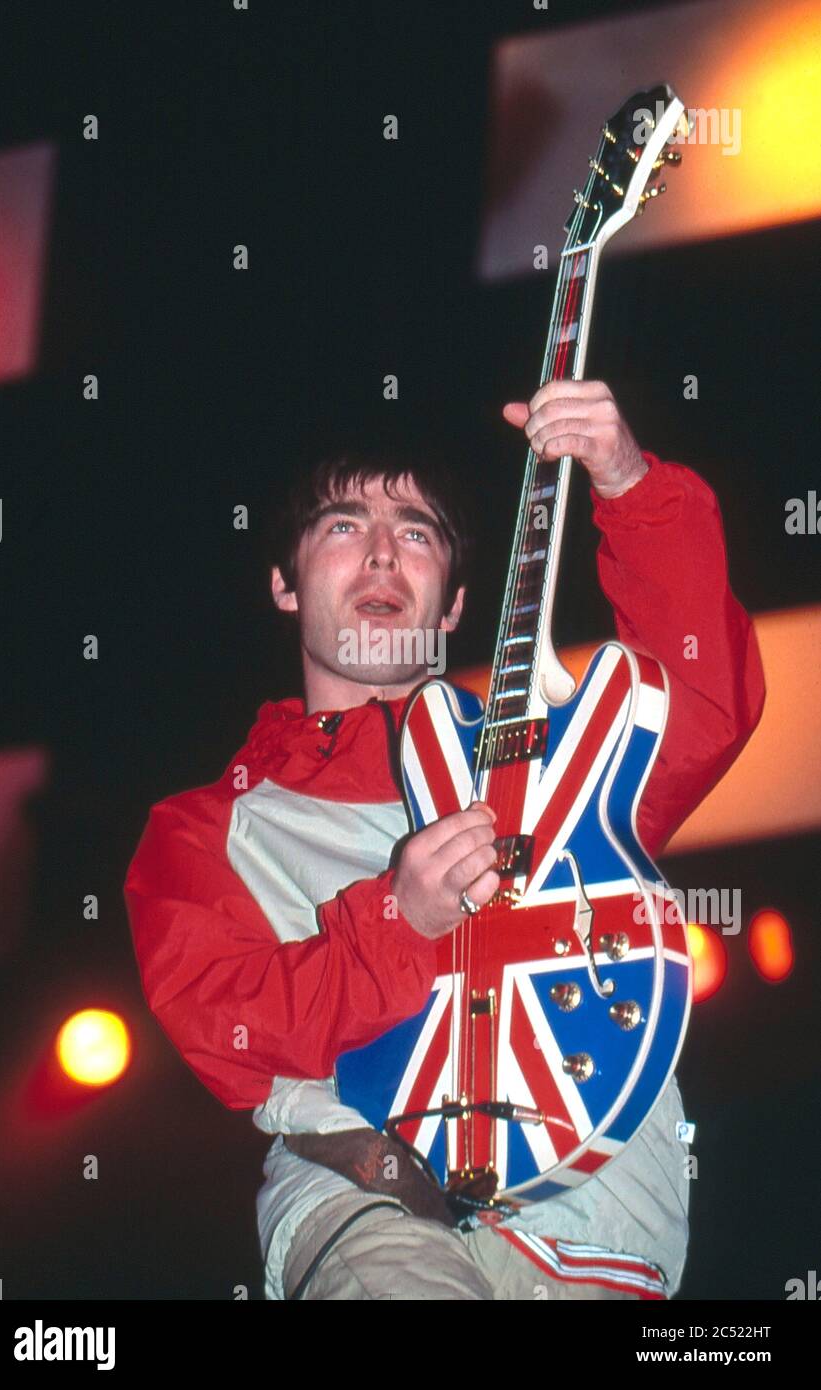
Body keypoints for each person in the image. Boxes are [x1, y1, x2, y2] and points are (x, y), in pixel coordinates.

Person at [124, 379, 766, 1300]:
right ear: (281, 582)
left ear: (456, 602)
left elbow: (703, 701)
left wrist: (628, 486)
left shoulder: (557, 770)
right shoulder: (205, 827)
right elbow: (229, 1029)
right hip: (367, 1205)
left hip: (602, 1227)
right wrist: (400, 920)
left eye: (416, 533)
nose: (382, 554)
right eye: (342, 526)